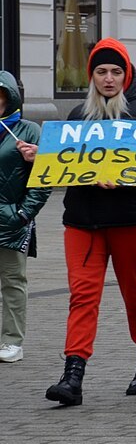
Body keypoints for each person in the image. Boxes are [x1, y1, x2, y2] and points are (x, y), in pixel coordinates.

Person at [45, 39, 136, 406]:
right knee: (82, 296)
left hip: (133, 220)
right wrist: (42, 157)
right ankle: (73, 373)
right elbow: (63, 166)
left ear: (126, 74)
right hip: (83, 221)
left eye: (115, 71)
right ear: (91, 76)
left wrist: (125, 179)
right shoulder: (79, 115)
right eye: (101, 72)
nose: (108, 79)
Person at [0, 71, 51, 364]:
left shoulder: (28, 131)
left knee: (12, 281)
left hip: (10, 221)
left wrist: (22, 214)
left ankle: (11, 340)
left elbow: (43, 179)